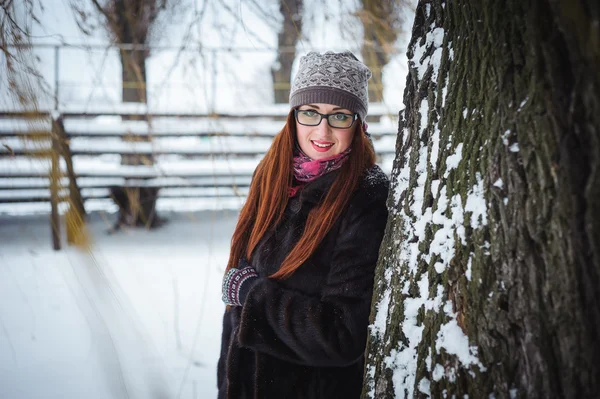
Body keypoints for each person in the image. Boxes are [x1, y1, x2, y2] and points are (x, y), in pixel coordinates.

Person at [217, 51, 389, 399]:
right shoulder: (271, 177)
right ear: (293, 115)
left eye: (339, 116)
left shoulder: (364, 197)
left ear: (358, 123)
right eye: (311, 112)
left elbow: (343, 335)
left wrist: (254, 298)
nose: (322, 130)